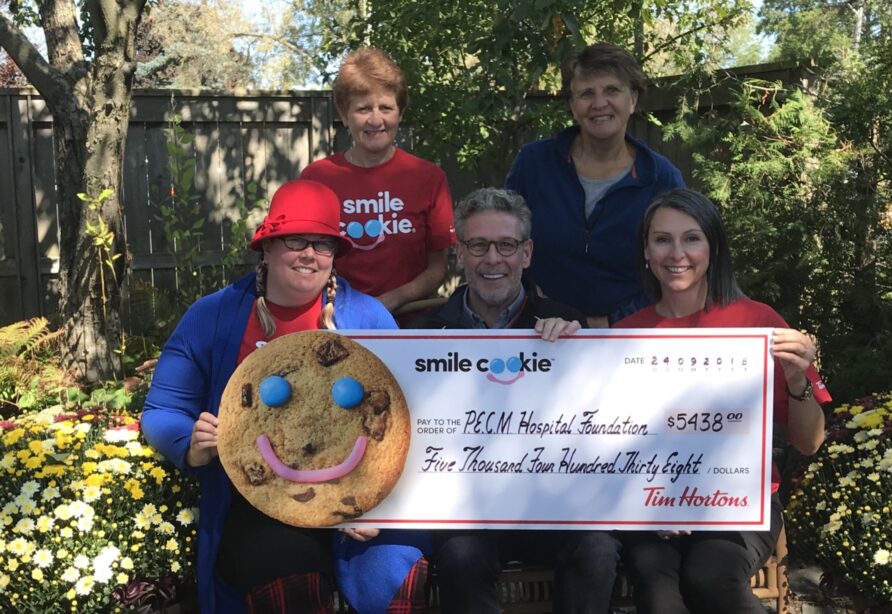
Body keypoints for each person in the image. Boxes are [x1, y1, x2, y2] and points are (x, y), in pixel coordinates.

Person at [141, 180, 426, 614]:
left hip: (355, 497)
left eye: (324, 244)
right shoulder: (214, 315)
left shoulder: (369, 317)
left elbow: (411, 420)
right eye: (296, 241)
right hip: (260, 500)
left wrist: (380, 505)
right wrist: (190, 445)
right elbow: (162, 409)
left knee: (396, 578)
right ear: (267, 248)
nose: (310, 254)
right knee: (292, 579)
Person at [614, 188, 828, 613]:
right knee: (657, 588)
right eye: (662, 239)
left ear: (713, 247)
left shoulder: (758, 324)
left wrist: (794, 377)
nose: (677, 253)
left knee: (709, 575)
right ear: (645, 250)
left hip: (740, 502)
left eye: (691, 238)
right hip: (652, 505)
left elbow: (809, 443)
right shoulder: (625, 335)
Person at [419, 187, 622, 613]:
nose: (493, 258)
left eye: (506, 245)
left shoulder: (566, 321)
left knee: (598, 548)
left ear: (526, 253)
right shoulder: (425, 336)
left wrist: (574, 353)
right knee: (458, 556)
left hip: (553, 506)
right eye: (478, 245)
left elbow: (600, 425)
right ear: (460, 253)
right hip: (470, 512)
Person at [505, 42, 685, 327]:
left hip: (630, 339)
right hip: (538, 332)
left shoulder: (660, 178)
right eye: (586, 93)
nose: (599, 103)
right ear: (572, 105)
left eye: (612, 90)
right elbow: (505, 242)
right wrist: (534, 304)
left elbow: (676, 267)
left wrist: (606, 323)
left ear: (633, 99)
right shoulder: (534, 163)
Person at [301, 47, 455, 317]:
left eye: (386, 107)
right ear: (344, 114)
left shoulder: (429, 178)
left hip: (411, 323)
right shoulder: (316, 179)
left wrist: (386, 303)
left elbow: (438, 268)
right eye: (363, 109)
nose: (376, 120)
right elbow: (303, 259)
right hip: (335, 322)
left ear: (400, 112)